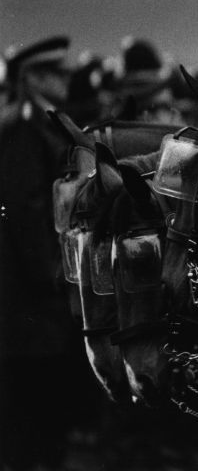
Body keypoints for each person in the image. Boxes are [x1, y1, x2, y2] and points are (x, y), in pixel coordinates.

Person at [0, 36, 89, 470]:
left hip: (36, 305)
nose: (66, 78)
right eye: (56, 72)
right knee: (28, 428)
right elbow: (27, 211)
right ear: (30, 77)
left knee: (42, 425)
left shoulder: (42, 123)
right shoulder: (21, 128)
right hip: (29, 304)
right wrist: (57, 275)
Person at [114, 36, 183, 124]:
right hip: (145, 126)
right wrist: (166, 81)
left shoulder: (158, 77)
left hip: (165, 123)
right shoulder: (128, 82)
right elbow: (130, 95)